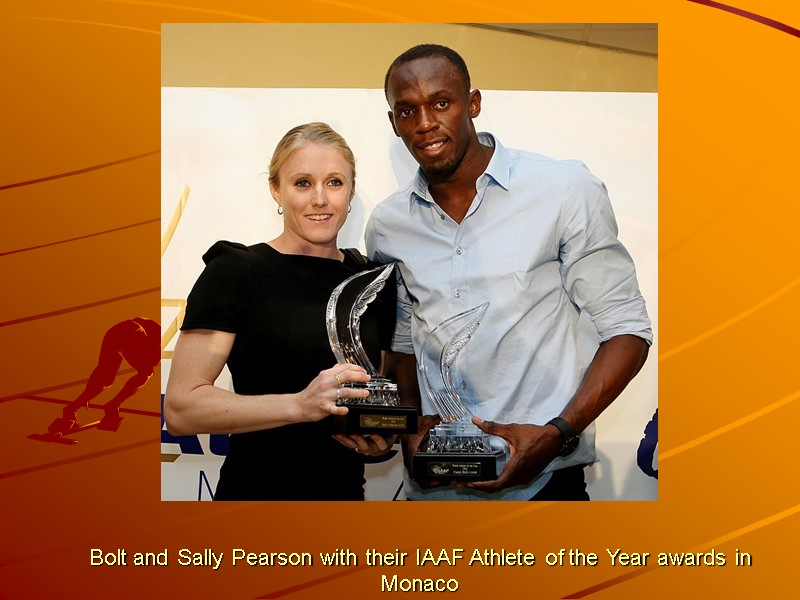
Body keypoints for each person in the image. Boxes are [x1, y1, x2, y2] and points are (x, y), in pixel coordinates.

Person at [365, 44, 653, 500]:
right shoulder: (387, 225)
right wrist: (408, 431)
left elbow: (627, 330)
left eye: (442, 102)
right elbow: (401, 345)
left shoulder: (562, 189)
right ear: (394, 122)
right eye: (406, 111)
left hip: (545, 483)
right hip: (435, 490)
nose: (424, 124)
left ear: (473, 103)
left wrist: (559, 432)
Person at [165, 122, 396, 501]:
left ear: (351, 191)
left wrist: (378, 441)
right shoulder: (234, 271)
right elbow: (181, 408)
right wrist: (300, 405)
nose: (319, 199)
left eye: (335, 182)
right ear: (276, 189)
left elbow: (374, 398)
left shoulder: (370, 282)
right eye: (302, 183)